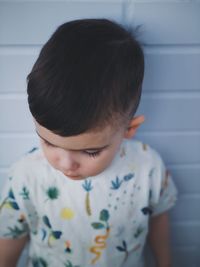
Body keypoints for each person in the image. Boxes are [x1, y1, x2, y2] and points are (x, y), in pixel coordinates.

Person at [0, 19, 177, 267]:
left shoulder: (149, 167)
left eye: (90, 151)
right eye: (49, 143)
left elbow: (158, 218)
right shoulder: (26, 175)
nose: (65, 163)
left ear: (129, 129)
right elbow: (10, 239)